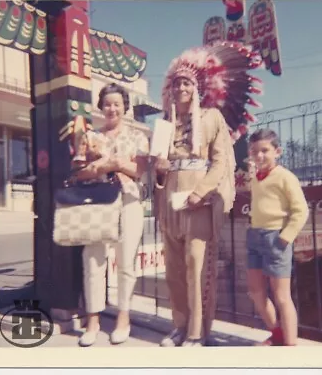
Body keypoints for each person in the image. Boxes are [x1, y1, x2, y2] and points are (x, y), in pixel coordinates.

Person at [153, 41, 264, 347]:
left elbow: (221, 162)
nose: (181, 88)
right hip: (170, 203)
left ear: (197, 85)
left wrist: (201, 192)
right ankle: (179, 325)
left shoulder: (212, 118)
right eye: (176, 83)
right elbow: (157, 169)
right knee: (174, 269)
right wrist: (160, 170)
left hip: (199, 203)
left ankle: (198, 332)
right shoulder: (164, 123)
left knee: (196, 266)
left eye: (186, 82)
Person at [73, 83, 149, 347]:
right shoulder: (90, 137)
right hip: (98, 202)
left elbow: (139, 171)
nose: (112, 108)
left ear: (125, 107)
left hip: (129, 202)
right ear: (101, 107)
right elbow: (79, 172)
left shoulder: (138, 137)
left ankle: (123, 318)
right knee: (93, 260)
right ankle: (92, 321)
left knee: (126, 262)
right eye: (107, 103)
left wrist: (113, 163)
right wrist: (104, 166)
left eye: (117, 103)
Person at [246, 128, 309, 346]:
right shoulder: (256, 178)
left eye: (265, 150)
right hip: (255, 238)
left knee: (282, 297)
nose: (259, 155)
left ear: (277, 151)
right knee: (255, 292)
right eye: (254, 151)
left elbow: (301, 210)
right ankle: (277, 334)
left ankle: (290, 347)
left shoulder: (285, 177)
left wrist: (285, 238)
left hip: (276, 239)